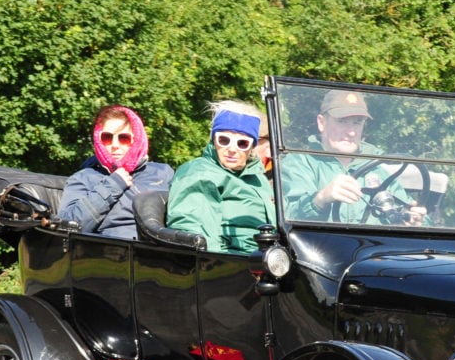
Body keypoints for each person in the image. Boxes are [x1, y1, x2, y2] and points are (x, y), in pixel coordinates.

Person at [281, 89, 426, 225]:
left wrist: (415, 220)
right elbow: (286, 219)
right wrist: (321, 199)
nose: (351, 132)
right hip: (319, 243)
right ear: (321, 122)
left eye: (357, 123)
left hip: (371, 244)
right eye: (342, 121)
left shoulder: (377, 170)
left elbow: (410, 212)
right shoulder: (298, 163)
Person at [166, 101, 274, 253]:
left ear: (252, 147)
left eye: (242, 143)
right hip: (233, 258)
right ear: (213, 140)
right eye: (224, 140)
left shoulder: (257, 177)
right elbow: (196, 232)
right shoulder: (201, 173)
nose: (232, 149)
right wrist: (216, 264)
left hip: (271, 257)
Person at [58, 105, 174, 239]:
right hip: (112, 249)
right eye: (107, 137)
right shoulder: (83, 178)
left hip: (161, 247)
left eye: (124, 138)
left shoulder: (163, 172)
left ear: (136, 140)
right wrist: (113, 185)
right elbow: (66, 226)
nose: (115, 145)